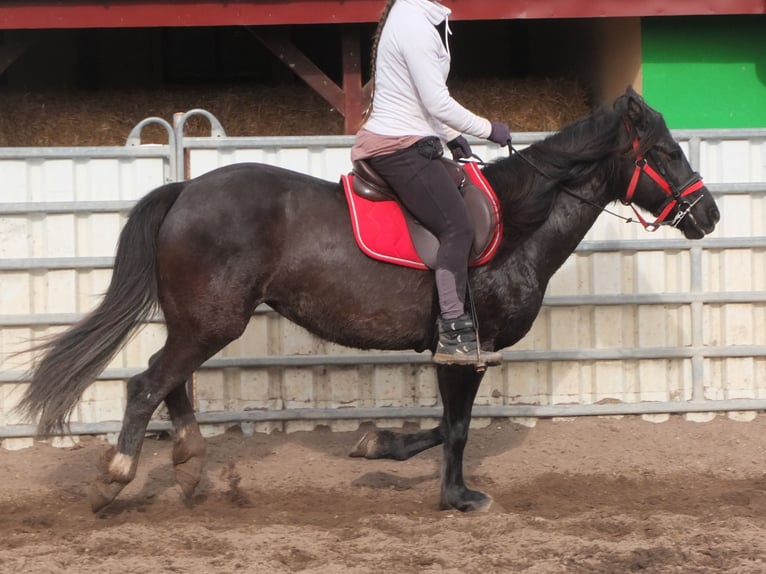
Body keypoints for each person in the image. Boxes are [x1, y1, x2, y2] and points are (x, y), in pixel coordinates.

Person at [351, 0, 511, 366]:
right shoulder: (415, 24)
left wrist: (452, 137)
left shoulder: (416, 16)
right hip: (397, 146)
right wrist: (489, 129)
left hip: (411, 138)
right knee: (457, 227)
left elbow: (418, 101)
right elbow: (437, 101)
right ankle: (453, 331)